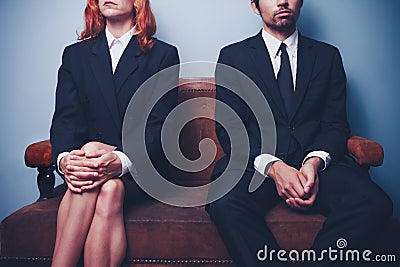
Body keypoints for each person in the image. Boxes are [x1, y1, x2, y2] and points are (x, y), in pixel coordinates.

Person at [206, 0, 393, 266]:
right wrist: (274, 167)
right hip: (256, 166)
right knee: (224, 202)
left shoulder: (328, 56)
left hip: (318, 168)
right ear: (255, 6)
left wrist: (314, 162)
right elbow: (230, 130)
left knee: (374, 203)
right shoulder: (232, 57)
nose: (282, 1)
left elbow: (336, 124)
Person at [49, 0, 179, 266]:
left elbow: (160, 127)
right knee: (107, 188)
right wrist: (65, 161)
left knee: (104, 181)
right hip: (91, 165)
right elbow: (65, 119)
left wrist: (119, 159)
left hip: (142, 170)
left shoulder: (163, 55)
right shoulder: (75, 56)